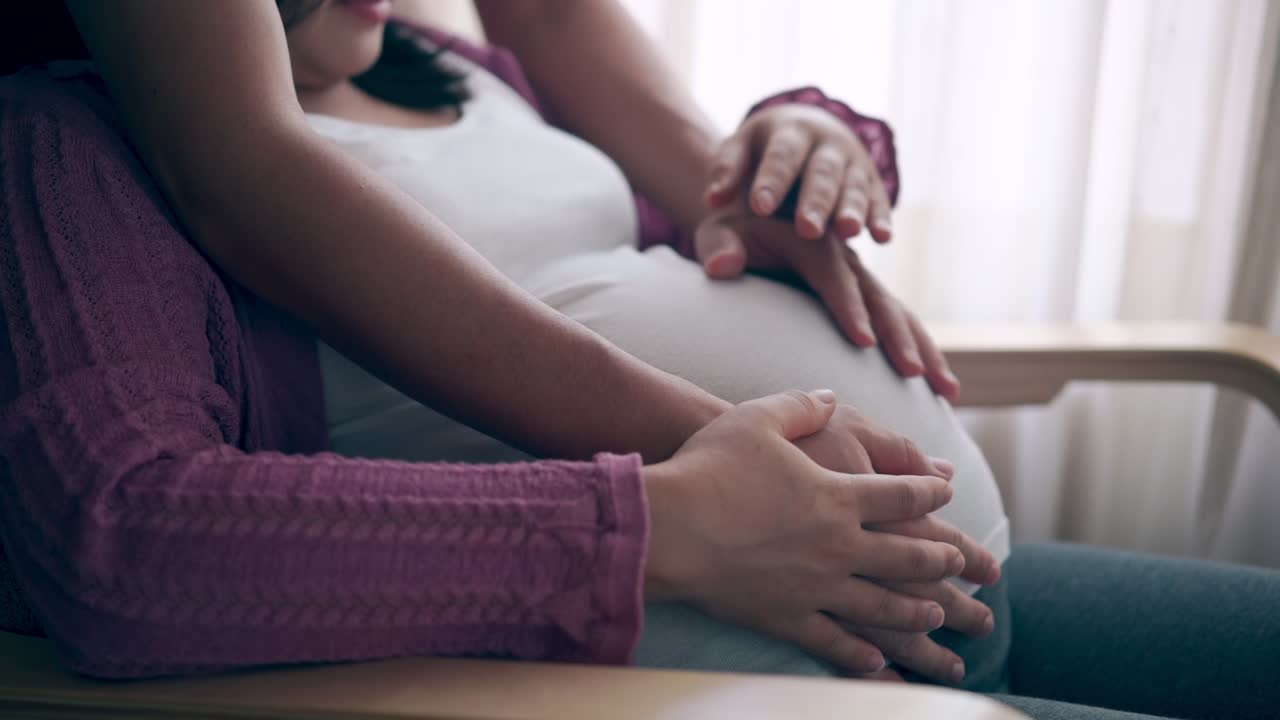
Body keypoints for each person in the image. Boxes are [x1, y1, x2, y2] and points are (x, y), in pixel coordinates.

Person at [0, 2, 1276, 719]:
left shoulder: (459, 72)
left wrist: (798, 146)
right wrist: (649, 523)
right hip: (762, 684)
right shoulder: (78, 149)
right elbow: (121, 541)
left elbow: (673, 247)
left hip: (959, 587)